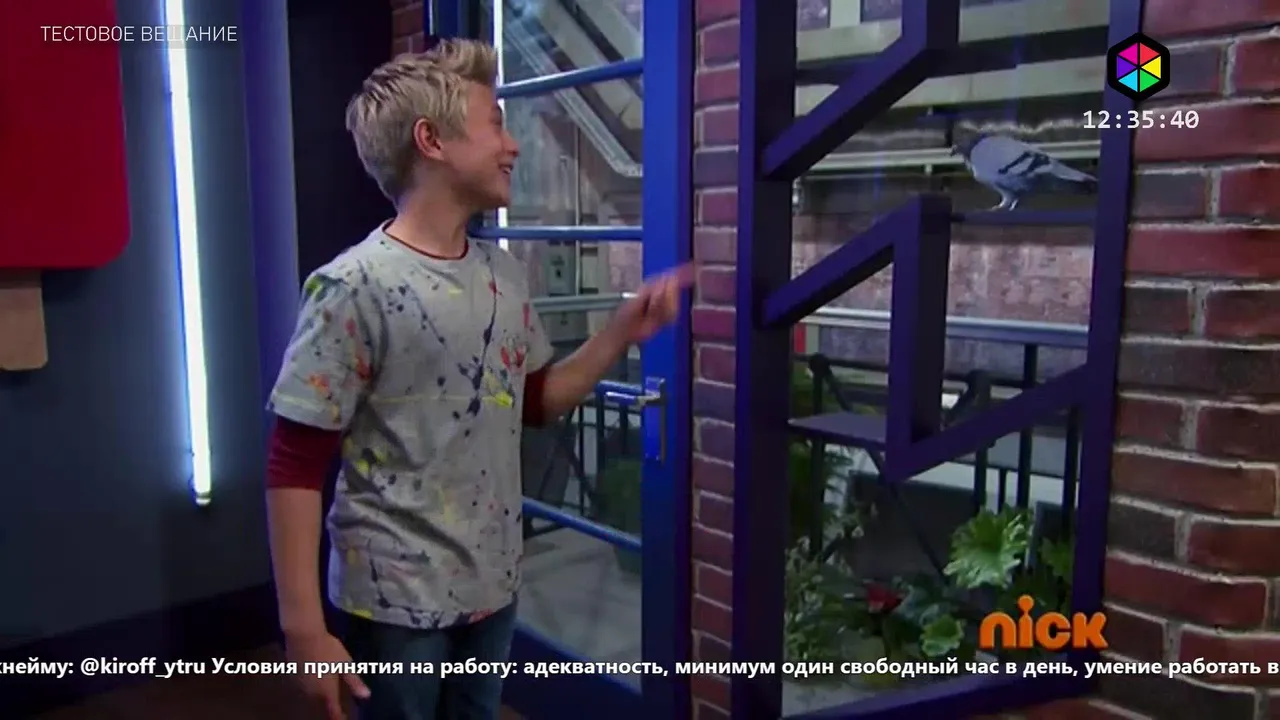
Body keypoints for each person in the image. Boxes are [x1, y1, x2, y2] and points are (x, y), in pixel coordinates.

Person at [263, 38, 691, 720]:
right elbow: (295, 462)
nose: (512, 145)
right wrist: (304, 629)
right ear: (431, 140)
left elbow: (537, 403)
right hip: (393, 603)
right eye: (495, 123)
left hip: (492, 589)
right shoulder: (353, 287)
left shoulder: (504, 276)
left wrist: (620, 333)